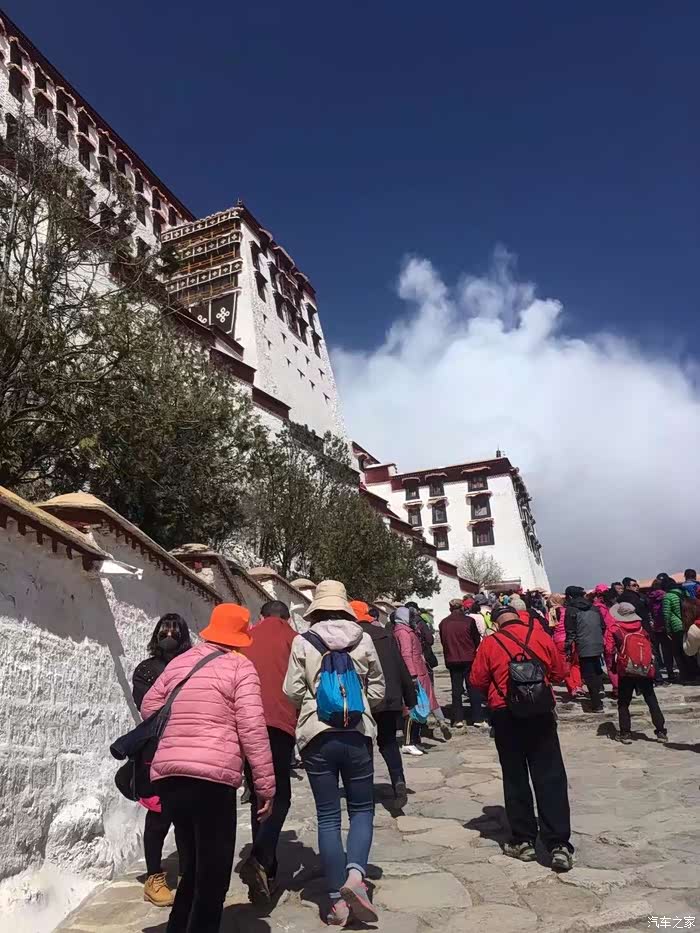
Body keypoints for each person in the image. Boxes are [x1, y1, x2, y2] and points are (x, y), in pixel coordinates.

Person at [140, 603, 275, 933]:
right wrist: (265, 785)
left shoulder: (181, 662)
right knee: (213, 873)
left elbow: (149, 706)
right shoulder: (240, 667)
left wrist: (180, 730)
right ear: (241, 635)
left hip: (171, 776)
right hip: (212, 779)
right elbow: (253, 728)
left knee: (193, 867)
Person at [284, 581, 385, 927]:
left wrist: (315, 702)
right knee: (361, 809)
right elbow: (379, 687)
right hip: (357, 733)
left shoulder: (302, 641)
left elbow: (291, 689)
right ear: (344, 607)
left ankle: (335, 902)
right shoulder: (363, 638)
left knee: (328, 816)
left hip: (317, 735)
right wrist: (359, 703)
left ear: (316, 609)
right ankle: (355, 877)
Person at [470, 605, 573, 872]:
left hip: (506, 714)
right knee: (550, 776)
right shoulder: (541, 637)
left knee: (515, 777)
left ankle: (524, 840)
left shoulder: (490, 643)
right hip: (540, 712)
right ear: (519, 617)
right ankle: (559, 844)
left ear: (495, 623)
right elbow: (559, 672)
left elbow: (477, 680)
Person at [238, 600, 298, 904]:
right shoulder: (294, 638)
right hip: (280, 723)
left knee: (258, 793)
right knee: (280, 794)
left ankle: (267, 872)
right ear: (287, 618)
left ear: (261, 616)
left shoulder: (246, 636)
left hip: (246, 722)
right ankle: (261, 858)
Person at [132, 614, 192, 908]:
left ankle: (188, 872)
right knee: (158, 816)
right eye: (164, 630)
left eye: (174, 631)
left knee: (186, 817)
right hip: (156, 750)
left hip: (188, 747)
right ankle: (154, 876)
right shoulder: (146, 670)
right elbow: (148, 707)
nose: (169, 635)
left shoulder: (192, 666)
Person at [350, 600, 416, 808]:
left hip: (363, 699)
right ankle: (398, 781)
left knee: (364, 743)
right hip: (390, 696)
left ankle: (365, 790)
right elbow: (399, 665)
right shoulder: (385, 635)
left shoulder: (350, 638)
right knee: (388, 743)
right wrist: (410, 697)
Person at [609, 602, 668, 744]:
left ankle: (625, 733)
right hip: (643, 668)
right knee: (651, 699)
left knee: (624, 702)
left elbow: (609, 649)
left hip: (626, 670)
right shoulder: (641, 628)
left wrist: (613, 666)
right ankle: (661, 731)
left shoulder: (615, 629)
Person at [393, 606, 448, 752]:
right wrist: (412, 675)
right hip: (415, 673)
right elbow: (406, 654)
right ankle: (409, 742)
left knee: (420, 706)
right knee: (413, 708)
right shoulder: (403, 632)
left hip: (419, 671)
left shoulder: (406, 630)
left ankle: (415, 739)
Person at [439, 598, 487, 730]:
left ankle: (458, 719)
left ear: (450, 608)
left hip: (452, 659)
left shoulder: (444, 623)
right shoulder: (469, 621)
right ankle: (477, 718)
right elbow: (476, 640)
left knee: (456, 689)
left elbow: (443, 641)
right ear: (462, 608)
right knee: (473, 688)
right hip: (469, 658)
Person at [564, 586, 606, 712]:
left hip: (582, 643)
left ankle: (596, 703)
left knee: (588, 673)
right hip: (597, 641)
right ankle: (599, 691)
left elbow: (570, 631)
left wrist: (568, 647)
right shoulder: (594, 607)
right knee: (597, 669)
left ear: (569, 596)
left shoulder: (571, 609)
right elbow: (603, 626)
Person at [548, 594, 583, 700]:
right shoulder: (568, 610)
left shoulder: (552, 612)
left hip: (559, 641)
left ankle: (572, 687)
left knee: (565, 665)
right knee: (575, 664)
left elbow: (551, 627)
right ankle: (578, 685)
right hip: (572, 639)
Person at [663, 577, 696, 682]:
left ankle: (685, 676)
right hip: (689, 624)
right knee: (690, 650)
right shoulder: (685, 592)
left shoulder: (668, 596)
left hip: (676, 627)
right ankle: (695, 673)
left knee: (678, 652)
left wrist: (668, 630)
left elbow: (666, 615)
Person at [647, 577, 676, 684]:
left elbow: (649, 612)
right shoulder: (665, 596)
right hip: (664, 627)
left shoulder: (649, 598)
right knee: (667, 652)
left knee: (655, 653)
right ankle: (670, 673)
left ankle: (657, 675)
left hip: (654, 628)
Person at [592, 585, 619, 698]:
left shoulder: (597, 608)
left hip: (607, 638)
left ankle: (617, 689)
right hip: (617, 635)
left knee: (611, 664)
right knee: (616, 662)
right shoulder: (613, 606)